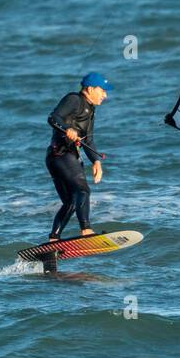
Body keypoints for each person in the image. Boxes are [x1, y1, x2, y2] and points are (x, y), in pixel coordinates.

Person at [45, 73, 112, 241]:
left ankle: (54, 238)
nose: (105, 95)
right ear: (90, 89)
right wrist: (67, 128)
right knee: (82, 190)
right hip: (61, 154)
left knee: (72, 201)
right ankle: (86, 230)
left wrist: (96, 161)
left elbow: (88, 139)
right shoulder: (74, 99)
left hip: (61, 157)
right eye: (102, 90)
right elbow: (53, 117)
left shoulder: (91, 111)